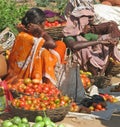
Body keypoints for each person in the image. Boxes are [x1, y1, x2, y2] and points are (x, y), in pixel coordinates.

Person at [5, 7, 66, 86]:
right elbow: (52, 44)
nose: (44, 26)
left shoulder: (22, 35)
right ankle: (46, 80)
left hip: (16, 72)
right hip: (23, 78)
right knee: (45, 52)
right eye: (43, 24)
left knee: (60, 44)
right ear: (38, 25)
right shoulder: (30, 39)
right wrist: (42, 32)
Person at [63, 0, 120, 76]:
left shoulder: (86, 35)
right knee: (84, 50)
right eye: (86, 24)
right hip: (76, 60)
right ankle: (95, 75)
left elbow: (100, 38)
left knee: (106, 45)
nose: (89, 26)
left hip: (91, 58)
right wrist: (98, 42)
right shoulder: (69, 34)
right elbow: (74, 45)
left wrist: (110, 39)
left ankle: (100, 74)